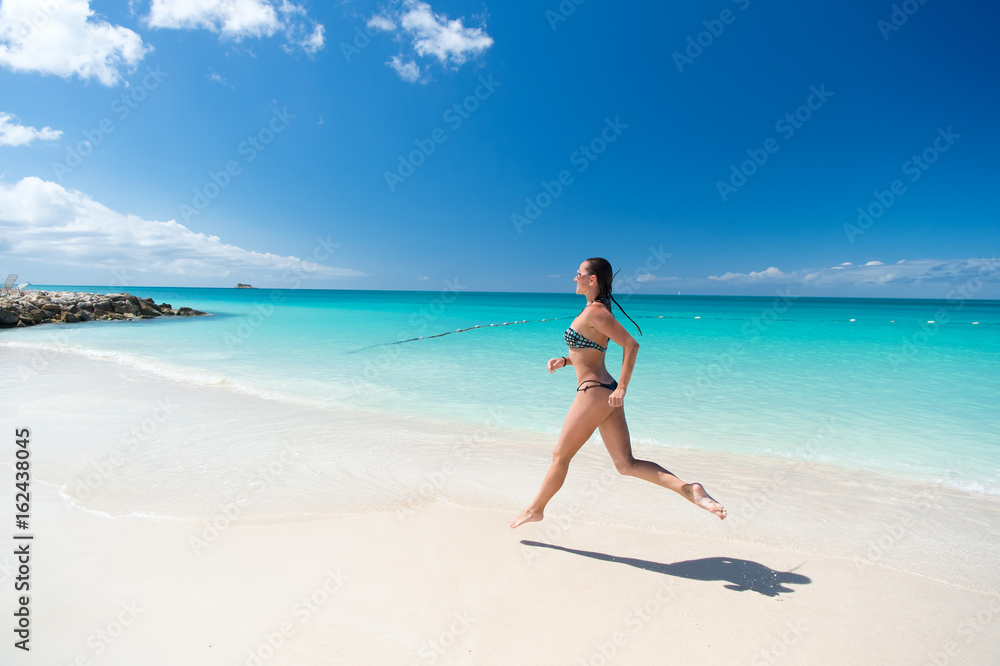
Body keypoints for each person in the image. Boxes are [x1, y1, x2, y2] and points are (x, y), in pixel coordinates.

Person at [510, 257, 726, 528]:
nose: (574, 278)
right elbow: (591, 350)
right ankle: (689, 489)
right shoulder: (592, 310)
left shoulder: (595, 312)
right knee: (626, 464)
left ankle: (535, 509)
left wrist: (623, 387)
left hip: (594, 393)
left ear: (592, 279)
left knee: (560, 456)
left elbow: (631, 345)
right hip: (605, 392)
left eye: (578, 274)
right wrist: (564, 361)